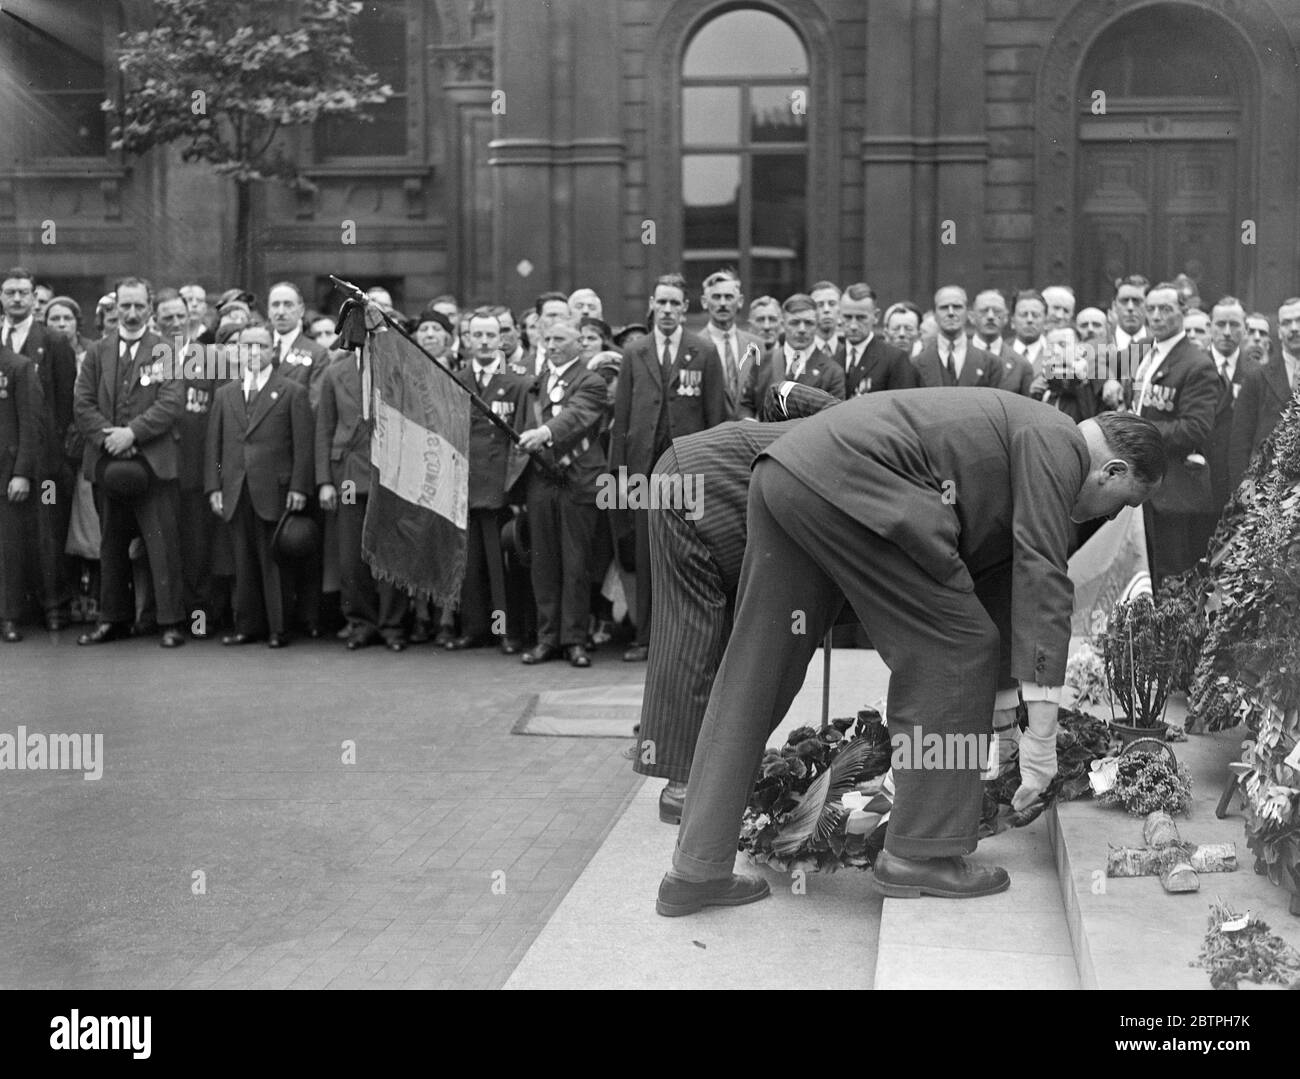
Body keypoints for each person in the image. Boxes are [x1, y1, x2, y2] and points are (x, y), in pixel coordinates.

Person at [656, 391, 1166, 916]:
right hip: (853, 487)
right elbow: (1041, 573)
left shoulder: (1027, 431)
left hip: (786, 473)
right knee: (958, 648)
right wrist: (1041, 737)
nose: (1114, 515)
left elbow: (996, 576)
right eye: (1125, 502)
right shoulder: (1059, 441)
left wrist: (1000, 707)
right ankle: (922, 854)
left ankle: (697, 867)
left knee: (755, 670)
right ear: (1112, 469)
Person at [634, 382, 841, 823]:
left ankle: (699, 774)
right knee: (695, 634)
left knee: (707, 631)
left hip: (701, 467)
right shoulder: (872, 432)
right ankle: (688, 783)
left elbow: (779, 393)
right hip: (708, 483)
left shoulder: (851, 418)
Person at [609, 273, 727, 662]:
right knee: (644, 556)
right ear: (652, 305)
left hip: (687, 470)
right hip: (643, 469)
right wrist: (621, 476)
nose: (668, 311)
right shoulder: (635, 352)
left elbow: (715, 418)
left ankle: (685, 638)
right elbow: (622, 419)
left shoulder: (704, 351)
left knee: (685, 555)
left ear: (686, 308)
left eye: (676, 304)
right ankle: (645, 637)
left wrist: (713, 476)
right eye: (662, 303)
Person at [73, 277, 188, 649]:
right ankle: (113, 619)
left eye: (139, 306)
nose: (133, 313)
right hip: (107, 463)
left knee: (162, 545)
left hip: (154, 464)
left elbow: (170, 404)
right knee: (111, 545)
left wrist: (132, 434)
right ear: (115, 308)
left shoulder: (165, 349)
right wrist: (110, 438)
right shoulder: (97, 352)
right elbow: (83, 404)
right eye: (126, 306)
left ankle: (170, 622)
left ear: (150, 309)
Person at [205, 325, 313, 648]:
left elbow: (303, 447)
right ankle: (246, 626)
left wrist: (298, 487)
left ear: (272, 351)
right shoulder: (225, 394)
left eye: (261, 346)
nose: (253, 352)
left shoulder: (292, 391)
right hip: (236, 488)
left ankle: (278, 628)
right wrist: (215, 486)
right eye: (246, 346)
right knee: (242, 560)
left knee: (274, 562)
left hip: (275, 489)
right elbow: (215, 446)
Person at [517, 320, 608, 668]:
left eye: (560, 339)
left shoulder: (592, 381)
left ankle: (574, 640)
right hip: (542, 479)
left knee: (576, 562)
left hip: (578, 479)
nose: (552, 344)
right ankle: (547, 638)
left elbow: (578, 415)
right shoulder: (535, 382)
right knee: (544, 561)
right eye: (548, 338)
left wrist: (543, 433)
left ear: (578, 345)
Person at [317, 326, 407, 653]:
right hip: (351, 474)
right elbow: (324, 429)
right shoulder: (334, 374)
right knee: (351, 554)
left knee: (390, 553)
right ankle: (361, 623)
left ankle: (392, 625)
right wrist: (325, 481)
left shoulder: (397, 371)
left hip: (390, 473)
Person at [446, 309, 530, 654]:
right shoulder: (453, 378)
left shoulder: (517, 383)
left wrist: (514, 488)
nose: (483, 342)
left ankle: (504, 631)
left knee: (500, 569)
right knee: (470, 566)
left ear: (501, 340)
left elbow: (521, 441)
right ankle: (474, 629)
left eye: (490, 336)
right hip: (463, 483)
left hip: (499, 487)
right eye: (476, 335)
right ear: (467, 339)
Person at [3, 266, 78, 629]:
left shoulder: (53, 341)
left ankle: (54, 606)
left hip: (45, 460)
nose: (16, 298)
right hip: (5, 456)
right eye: (10, 292)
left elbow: (65, 401)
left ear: (34, 298)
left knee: (47, 532)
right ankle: (16, 608)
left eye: (23, 292)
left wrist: (56, 450)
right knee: (10, 538)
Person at [1132, 281, 1220, 588]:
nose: (1156, 316)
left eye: (1165, 309)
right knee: (1147, 575)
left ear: (1183, 313)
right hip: (1144, 485)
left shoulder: (1197, 364)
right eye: (1151, 309)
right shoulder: (1144, 351)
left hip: (1175, 490)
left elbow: (1195, 428)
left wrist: (1137, 428)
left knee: (1174, 579)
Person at [739, 294, 845, 418]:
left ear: (817, 325)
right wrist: (750, 423)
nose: (802, 329)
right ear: (783, 325)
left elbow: (834, 419)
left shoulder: (832, 372)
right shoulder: (763, 361)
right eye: (794, 323)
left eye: (808, 323)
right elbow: (746, 404)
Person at [1231, 297, 1300, 481]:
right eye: (1286, 323)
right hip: (1268, 492)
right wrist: (1245, 500)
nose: (1294, 328)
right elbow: (1240, 445)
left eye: (1299, 321)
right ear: (1278, 331)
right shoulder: (1257, 378)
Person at [0, 339, 40, 642]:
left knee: (7, 551)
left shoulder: (18, 365)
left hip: (6, 473)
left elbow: (29, 424)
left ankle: (8, 617)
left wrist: (22, 472)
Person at [700, 270, 763, 419]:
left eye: (728, 297)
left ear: (740, 301)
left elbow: (762, 393)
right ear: (704, 302)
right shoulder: (695, 347)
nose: (723, 303)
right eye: (716, 297)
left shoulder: (756, 345)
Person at [838, 282, 918, 395]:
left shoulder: (894, 359)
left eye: (861, 318)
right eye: (847, 317)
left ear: (876, 316)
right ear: (839, 316)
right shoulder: (833, 360)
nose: (853, 326)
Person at [912, 286, 993, 388]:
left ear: (967, 312)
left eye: (957, 307)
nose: (951, 313)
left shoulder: (991, 363)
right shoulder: (916, 364)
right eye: (944, 307)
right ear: (935, 314)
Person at [809, 280, 845, 364]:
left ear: (840, 309)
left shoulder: (850, 353)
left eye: (832, 304)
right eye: (819, 305)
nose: (826, 310)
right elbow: (793, 377)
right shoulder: (799, 352)